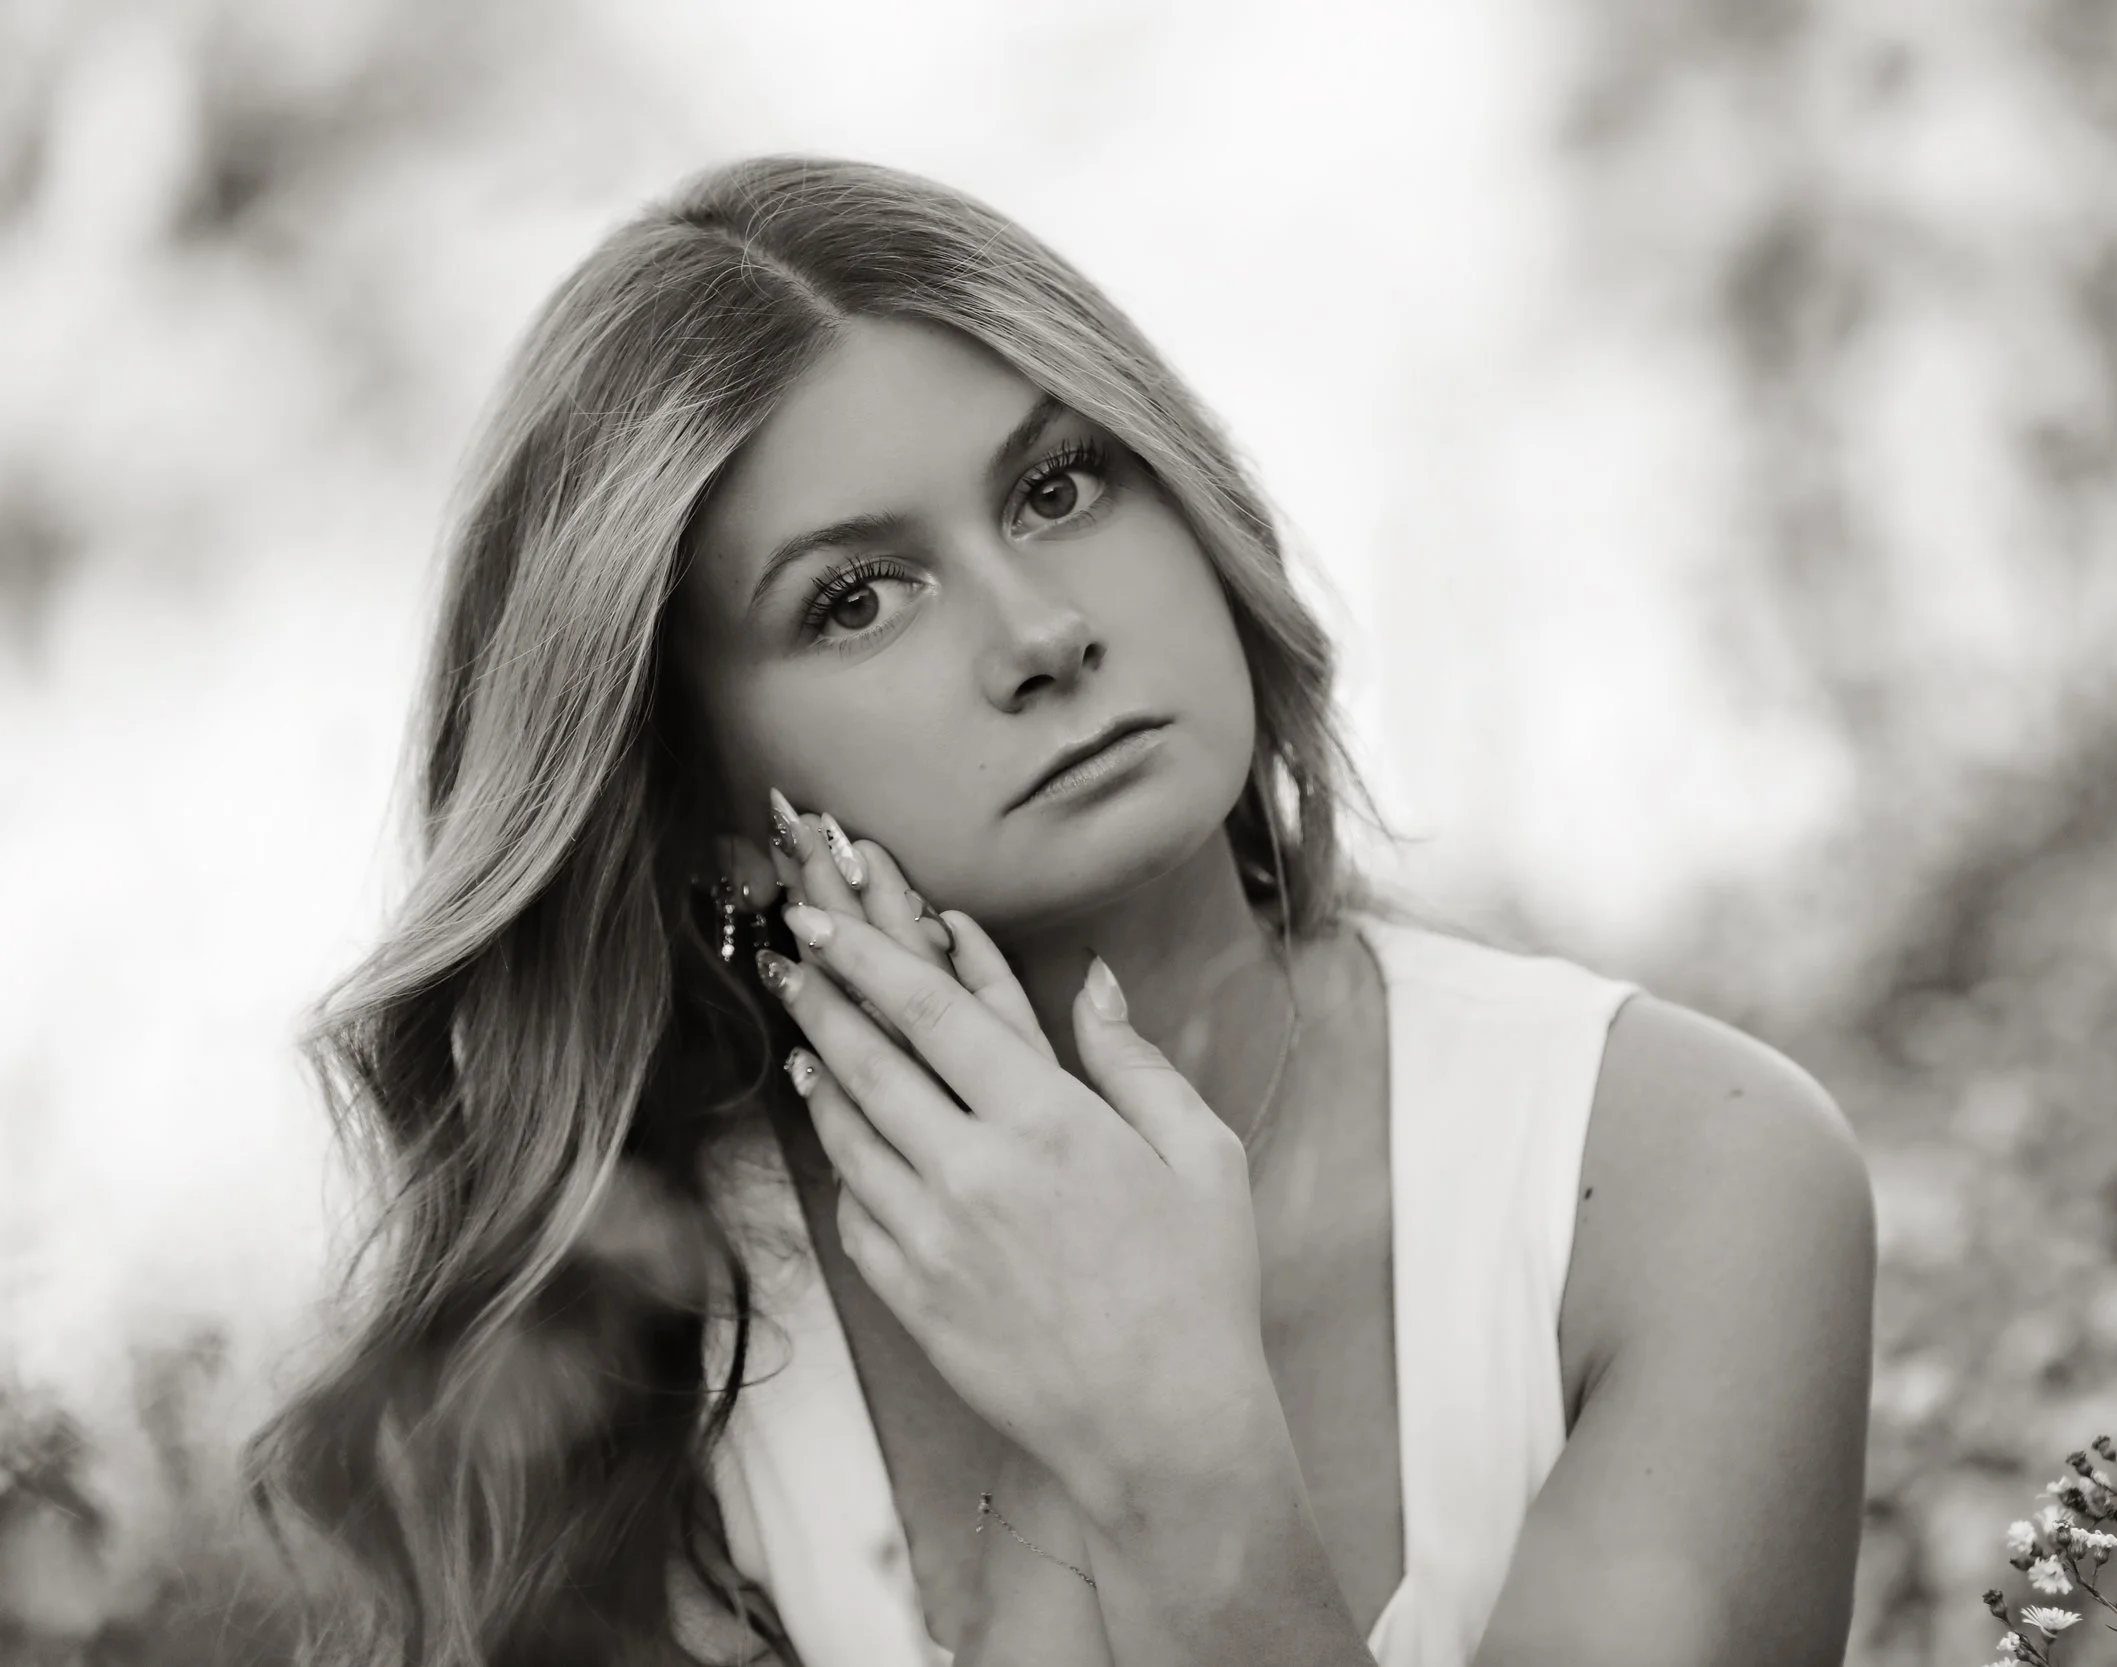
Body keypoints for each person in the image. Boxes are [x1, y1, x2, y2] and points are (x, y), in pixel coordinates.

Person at [247, 155, 1876, 1667]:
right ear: (705, 823)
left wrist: (1184, 1462)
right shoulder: (638, 1354)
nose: (1042, 632)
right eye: (855, 598)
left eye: (1057, 487)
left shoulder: (1687, 1172)